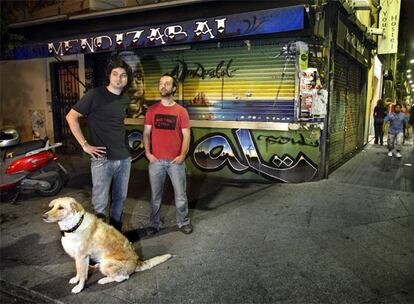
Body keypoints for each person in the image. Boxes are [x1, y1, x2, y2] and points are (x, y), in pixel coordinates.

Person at [66, 57, 132, 232]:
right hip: (102, 159)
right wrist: (84, 145)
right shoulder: (95, 95)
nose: (119, 78)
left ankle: (116, 234)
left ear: (127, 78)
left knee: (120, 199)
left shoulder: (125, 99)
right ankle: (100, 240)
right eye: (115, 74)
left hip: (124, 159)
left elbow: (117, 124)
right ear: (109, 76)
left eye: (123, 75)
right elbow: (71, 117)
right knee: (100, 203)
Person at [143, 74, 192, 234]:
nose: (162, 86)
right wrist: (148, 153)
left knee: (180, 195)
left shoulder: (181, 111)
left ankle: (183, 222)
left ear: (174, 88)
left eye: (167, 83)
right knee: (155, 196)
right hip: (156, 161)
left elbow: (186, 135)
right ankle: (154, 224)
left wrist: (182, 156)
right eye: (160, 83)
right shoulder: (151, 110)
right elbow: (146, 134)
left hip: (175, 162)